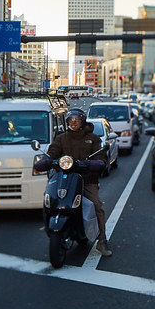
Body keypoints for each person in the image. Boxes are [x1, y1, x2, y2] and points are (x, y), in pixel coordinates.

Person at [46, 108, 112, 257]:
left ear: (82, 121)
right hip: (65, 179)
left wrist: (97, 163)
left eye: (76, 119)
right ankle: (49, 223)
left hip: (86, 180)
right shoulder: (61, 138)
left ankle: (102, 241)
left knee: (97, 205)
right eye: (71, 120)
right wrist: (46, 160)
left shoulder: (93, 138)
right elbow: (53, 152)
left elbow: (101, 157)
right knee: (48, 198)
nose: (73, 122)